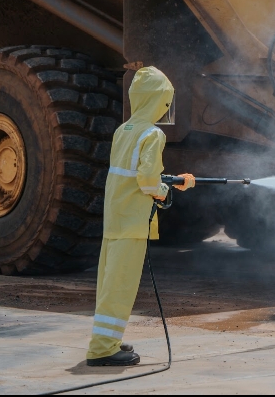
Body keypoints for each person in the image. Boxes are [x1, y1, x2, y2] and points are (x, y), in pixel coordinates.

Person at [86, 66, 195, 367]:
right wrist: (164, 189)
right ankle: (102, 350)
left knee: (109, 284)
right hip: (133, 222)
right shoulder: (153, 133)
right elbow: (147, 181)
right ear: (158, 100)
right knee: (120, 287)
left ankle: (106, 340)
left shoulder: (124, 130)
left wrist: (166, 181)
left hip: (115, 219)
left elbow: (130, 174)